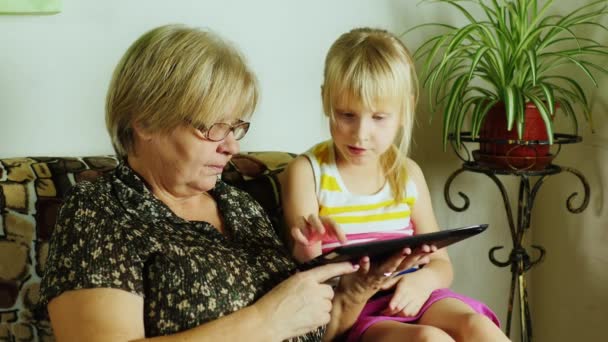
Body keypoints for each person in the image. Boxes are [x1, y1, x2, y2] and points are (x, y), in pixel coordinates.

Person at [39, 24, 430, 342]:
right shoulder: (102, 211)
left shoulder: (240, 206)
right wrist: (264, 322)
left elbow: (314, 331)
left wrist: (355, 291)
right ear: (145, 120)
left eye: (237, 125)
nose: (232, 145)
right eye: (214, 126)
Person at [281, 27, 511, 342]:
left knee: (478, 326)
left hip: (413, 294)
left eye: (378, 118)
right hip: (356, 310)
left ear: (404, 110)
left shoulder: (407, 174)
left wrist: (423, 282)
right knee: (429, 339)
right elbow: (305, 266)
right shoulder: (308, 172)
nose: (360, 134)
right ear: (325, 100)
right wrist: (309, 243)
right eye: (347, 114)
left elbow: (442, 265)